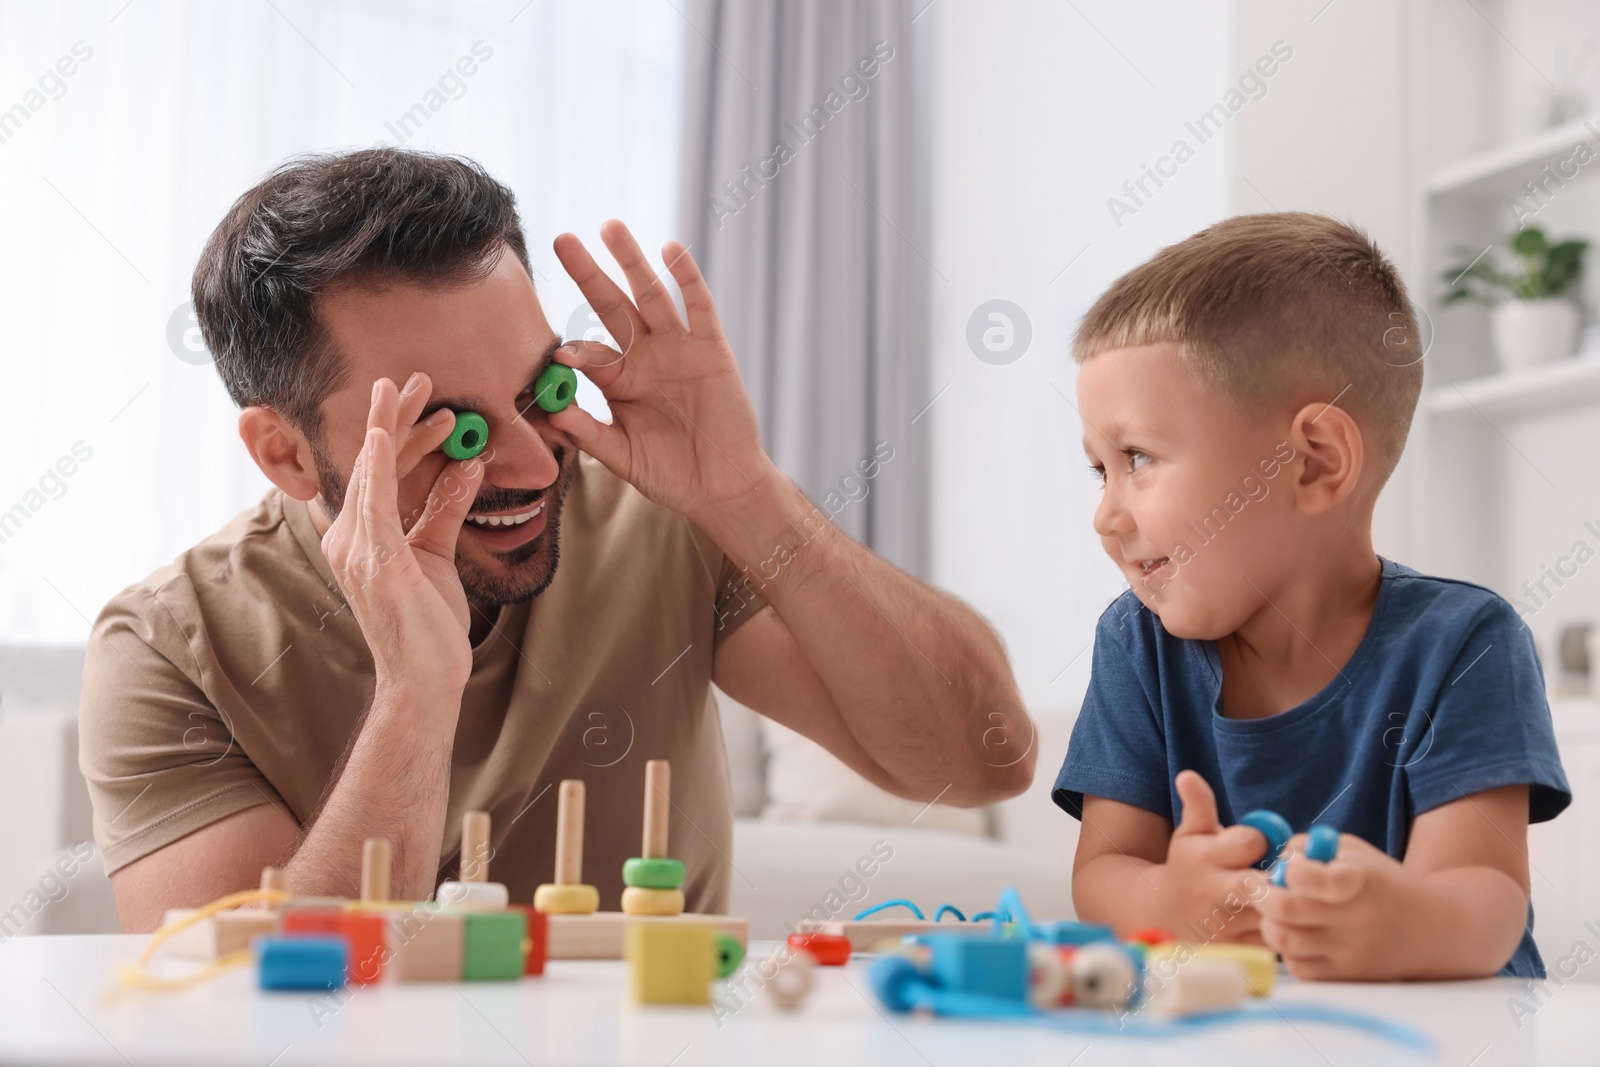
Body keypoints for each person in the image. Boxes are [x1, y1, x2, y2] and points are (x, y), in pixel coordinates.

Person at [79, 148, 1032, 931]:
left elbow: (987, 759)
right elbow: (241, 1011)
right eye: (452, 428)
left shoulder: (664, 517)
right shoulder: (170, 647)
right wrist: (417, 691)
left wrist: (749, 493)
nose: (535, 463)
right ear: (285, 453)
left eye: (541, 390)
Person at [1054, 213, 1569, 980]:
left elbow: (1487, 898)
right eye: (1102, 469)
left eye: (1138, 457)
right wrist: (1171, 900)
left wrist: (1402, 921)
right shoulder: (1137, 643)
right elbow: (1104, 872)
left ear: (1314, 464)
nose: (1107, 514)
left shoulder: (1464, 642)